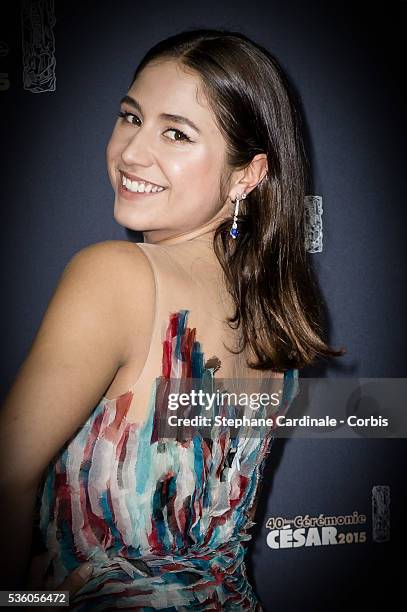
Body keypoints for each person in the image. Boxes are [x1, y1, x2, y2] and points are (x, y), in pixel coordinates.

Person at [0, 28, 345, 610]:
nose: (132, 152)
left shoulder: (115, 274)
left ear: (247, 175)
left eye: (176, 133)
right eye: (131, 117)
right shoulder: (279, 319)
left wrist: (24, 602)